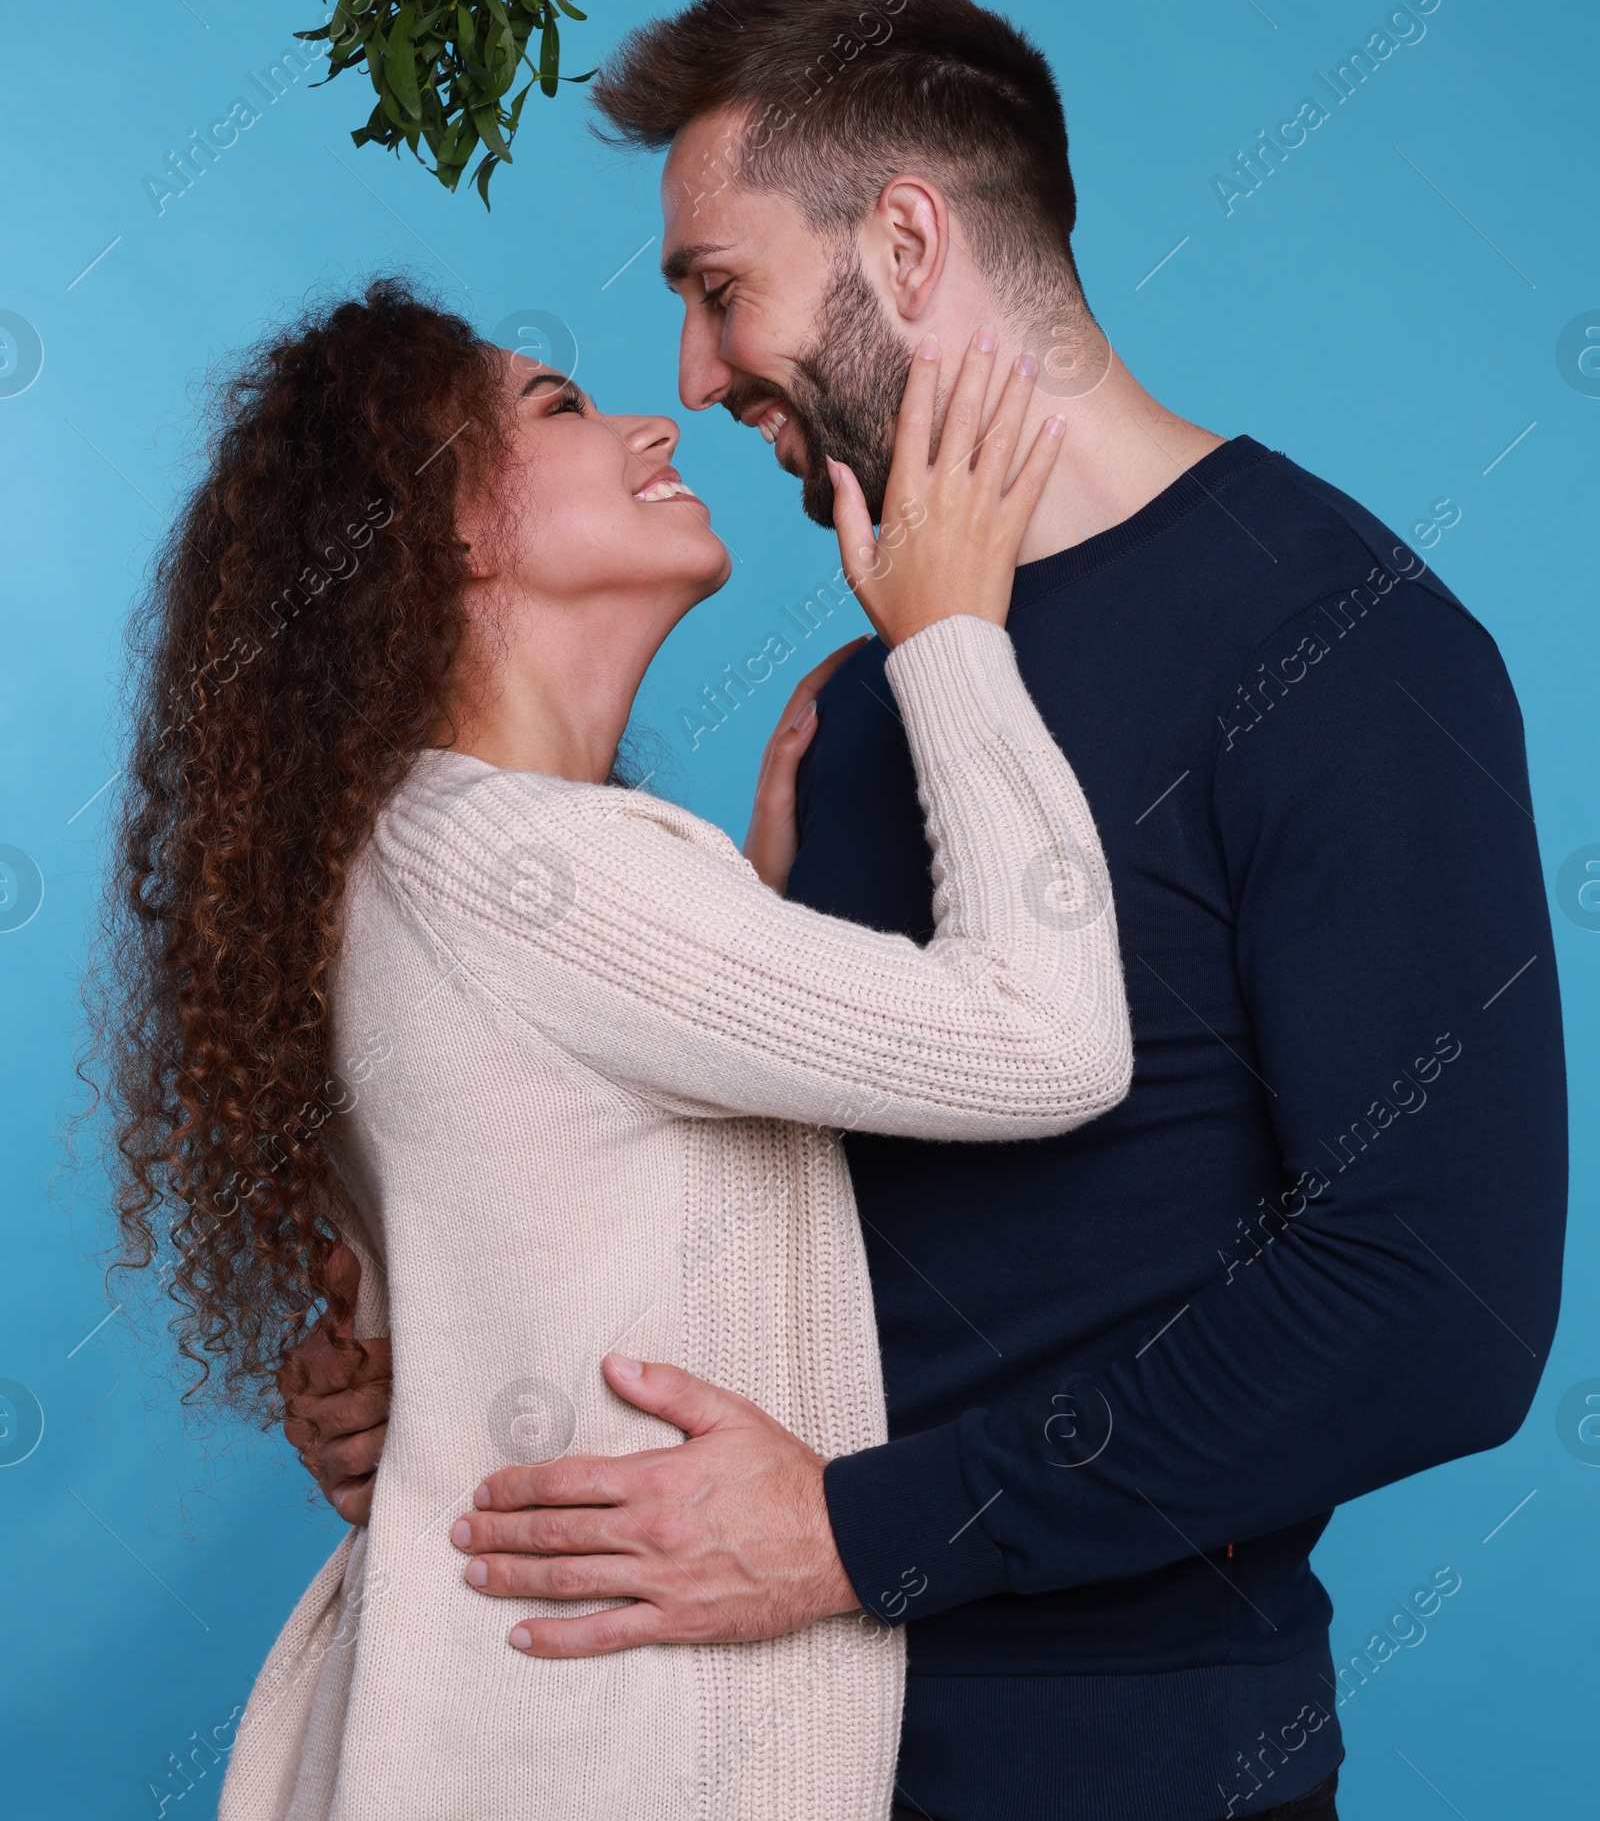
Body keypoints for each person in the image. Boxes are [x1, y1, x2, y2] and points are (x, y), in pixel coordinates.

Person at [284, 0, 1567, 1821]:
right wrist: (456, 1366)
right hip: (739, 1754)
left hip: (1117, 1767)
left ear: (903, 248)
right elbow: (771, 1200)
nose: (699, 377)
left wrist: (857, 1535)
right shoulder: (879, 702)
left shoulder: (1344, 649)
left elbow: (1434, 1309)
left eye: (721, 294)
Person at [99, 277, 1135, 1821]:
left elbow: (512, 1261)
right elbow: (1052, 1044)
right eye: (560, 409)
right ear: (438, 526)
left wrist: (762, 904)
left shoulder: (395, 860)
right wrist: (954, 639)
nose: (658, 419)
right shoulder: (534, 872)